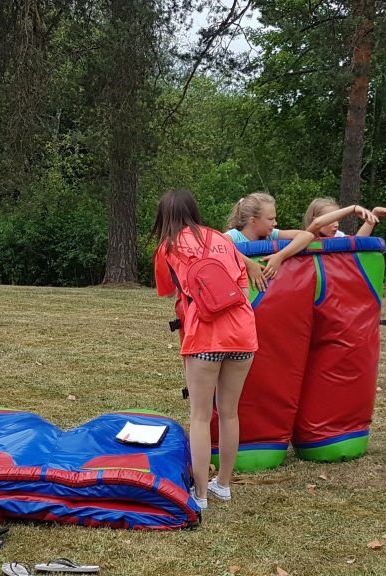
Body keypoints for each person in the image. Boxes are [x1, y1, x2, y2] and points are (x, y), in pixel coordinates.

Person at [152, 188, 257, 511]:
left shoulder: (168, 246)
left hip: (204, 335)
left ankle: (199, 494)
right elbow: (243, 290)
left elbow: (166, 290)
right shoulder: (223, 239)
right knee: (229, 412)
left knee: (200, 415)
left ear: (164, 217)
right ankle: (223, 484)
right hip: (243, 333)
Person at [225, 192, 317, 291]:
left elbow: (307, 236)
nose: (275, 223)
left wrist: (280, 256)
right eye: (270, 219)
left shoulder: (270, 234)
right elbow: (219, 245)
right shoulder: (234, 235)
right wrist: (249, 264)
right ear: (253, 221)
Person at [303, 197, 386, 237]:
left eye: (338, 220)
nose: (337, 225)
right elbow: (317, 224)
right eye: (331, 220)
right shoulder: (307, 237)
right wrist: (353, 208)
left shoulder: (338, 236)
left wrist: (374, 214)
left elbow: (358, 241)